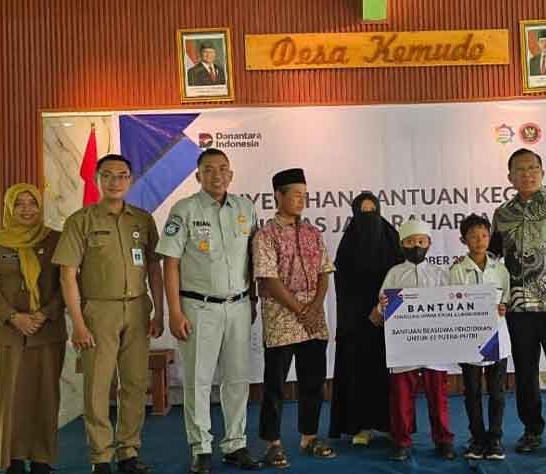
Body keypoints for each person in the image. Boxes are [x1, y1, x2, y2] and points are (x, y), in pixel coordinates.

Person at [52, 154, 165, 474]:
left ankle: (128, 451)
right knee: (97, 386)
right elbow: (67, 276)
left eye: (122, 175)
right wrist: (77, 323)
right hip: (98, 312)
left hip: (138, 309)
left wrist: (160, 312)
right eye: (108, 175)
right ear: (97, 179)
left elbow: (154, 269)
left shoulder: (142, 220)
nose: (115, 181)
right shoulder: (81, 221)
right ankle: (100, 457)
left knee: (134, 383)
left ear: (131, 179)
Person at [156, 148, 262, 473]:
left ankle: (235, 444)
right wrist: (174, 312)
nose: (217, 175)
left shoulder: (245, 208)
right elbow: (170, 264)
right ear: (197, 175)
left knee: (237, 379)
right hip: (198, 308)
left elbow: (253, 259)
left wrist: (253, 300)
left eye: (222, 169)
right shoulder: (184, 210)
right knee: (198, 381)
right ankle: (200, 447)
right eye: (209, 169)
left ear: (231, 174)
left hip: (239, 306)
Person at [489, 148, 546, 457]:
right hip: (517, 308)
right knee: (525, 372)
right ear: (510, 177)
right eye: (520, 169)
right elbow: (492, 259)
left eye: (532, 168)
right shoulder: (502, 214)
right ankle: (532, 430)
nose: (527, 174)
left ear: (542, 172)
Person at [0, 184, 66, 474]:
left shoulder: (56, 240)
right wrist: (14, 317)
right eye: (19, 203)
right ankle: (12, 461)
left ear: (40, 206)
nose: (27, 209)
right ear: (8, 208)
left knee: (46, 398)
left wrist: (44, 314)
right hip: (8, 335)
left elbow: (67, 285)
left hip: (46, 332)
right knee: (10, 400)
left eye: (33, 203)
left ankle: (42, 460)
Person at [252, 168, 337, 468]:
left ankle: (309, 437)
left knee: (313, 381)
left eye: (305, 195)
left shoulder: (313, 232)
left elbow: (325, 272)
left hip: (314, 317)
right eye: (296, 195)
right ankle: (272, 443)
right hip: (282, 316)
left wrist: (315, 307)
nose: (302, 200)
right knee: (275, 384)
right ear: (279, 195)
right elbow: (269, 280)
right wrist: (301, 310)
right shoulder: (265, 235)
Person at [373, 219, 456, 462]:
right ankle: (401, 441)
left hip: (435, 346)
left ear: (429, 243)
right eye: (410, 242)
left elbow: (453, 305)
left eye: (421, 241)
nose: (416, 246)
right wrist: (382, 306)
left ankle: (443, 440)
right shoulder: (394, 274)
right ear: (402, 245)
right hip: (404, 348)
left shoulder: (441, 273)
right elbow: (381, 310)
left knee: (438, 396)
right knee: (401, 397)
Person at [329, 192, 403, 445]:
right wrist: (364, 312)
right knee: (359, 373)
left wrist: (382, 309)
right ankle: (362, 426)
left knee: (391, 376)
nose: (369, 217)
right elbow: (343, 285)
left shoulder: (392, 238)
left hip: (389, 320)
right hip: (358, 323)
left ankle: (394, 425)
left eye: (373, 211)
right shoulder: (348, 244)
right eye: (363, 212)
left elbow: (402, 276)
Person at [449, 214, 511, 461]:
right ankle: (477, 438)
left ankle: (495, 439)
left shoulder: (500, 269)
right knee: (472, 391)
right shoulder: (457, 270)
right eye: (473, 236)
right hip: (470, 339)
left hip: (497, 338)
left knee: (497, 392)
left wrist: (504, 307)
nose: (480, 241)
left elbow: (506, 298)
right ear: (463, 240)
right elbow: (452, 302)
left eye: (484, 235)